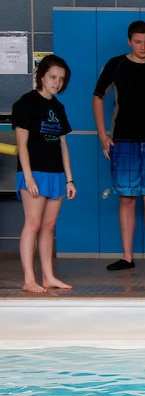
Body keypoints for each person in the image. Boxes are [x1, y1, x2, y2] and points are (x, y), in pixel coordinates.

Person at [93, 20, 145, 272]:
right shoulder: (116, 64)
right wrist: (102, 135)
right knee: (127, 198)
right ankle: (127, 257)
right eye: (138, 42)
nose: (143, 47)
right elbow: (98, 98)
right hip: (123, 141)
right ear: (129, 41)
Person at [13, 55, 76, 293]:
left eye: (61, 79)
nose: (57, 83)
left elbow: (62, 145)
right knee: (33, 224)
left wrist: (69, 179)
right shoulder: (26, 103)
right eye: (53, 77)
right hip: (34, 172)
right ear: (41, 76)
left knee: (49, 226)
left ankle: (48, 276)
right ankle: (29, 279)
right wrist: (28, 177)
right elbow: (22, 144)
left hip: (56, 174)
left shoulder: (58, 107)